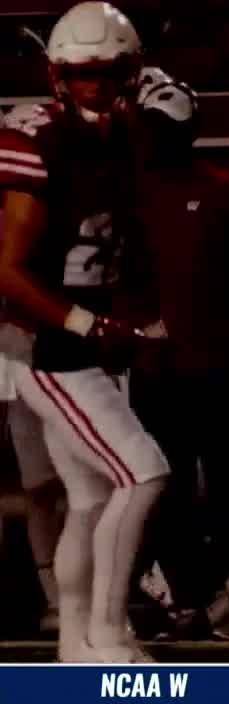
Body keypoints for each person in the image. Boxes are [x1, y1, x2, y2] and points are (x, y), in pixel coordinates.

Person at [0, 1, 170, 662]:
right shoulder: (37, 138)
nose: (93, 86)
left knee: (91, 495)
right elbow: (8, 271)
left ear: (130, 71)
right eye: (80, 74)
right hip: (49, 342)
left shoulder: (121, 133)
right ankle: (108, 630)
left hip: (81, 335)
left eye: (106, 72)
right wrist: (86, 323)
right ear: (57, 75)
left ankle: (76, 642)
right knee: (145, 472)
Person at [125, 81, 229, 639]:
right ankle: (189, 599)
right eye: (147, 128)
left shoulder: (227, 194)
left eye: (163, 128)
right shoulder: (127, 195)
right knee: (166, 487)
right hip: (155, 369)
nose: (152, 139)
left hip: (215, 366)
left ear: (187, 132)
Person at [0, 104, 64, 632]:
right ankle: (53, 597)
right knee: (38, 481)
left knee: (105, 479)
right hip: (18, 346)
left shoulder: (88, 195)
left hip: (73, 346)